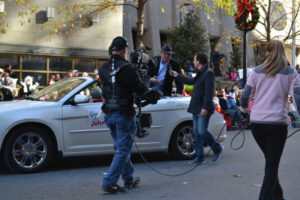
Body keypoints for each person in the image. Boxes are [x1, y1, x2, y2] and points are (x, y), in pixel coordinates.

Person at [240, 40, 300, 200]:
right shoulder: (291, 73)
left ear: (266, 52)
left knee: (270, 162)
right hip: (276, 125)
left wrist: (244, 110)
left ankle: (278, 196)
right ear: (282, 53)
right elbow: (297, 97)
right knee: (272, 164)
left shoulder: (256, 71)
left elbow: (245, 95)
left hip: (257, 124)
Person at [98, 36, 149, 194]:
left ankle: (128, 178)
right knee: (123, 149)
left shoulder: (103, 68)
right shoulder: (127, 68)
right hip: (124, 114)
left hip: (109, 113)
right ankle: (109, 182)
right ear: (124, 50)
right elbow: (140, 89)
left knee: (120, 148)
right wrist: (151, 91)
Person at [170, 52, 223, 164]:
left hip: (203, 108)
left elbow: (209, 92)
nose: (193, 61)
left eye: (194, 60)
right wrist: (177, 75)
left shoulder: (208, 73)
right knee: (197, 132)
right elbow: (191, 81)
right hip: (196, 107)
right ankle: (199, 157)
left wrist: (205, 108)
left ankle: (217, 148)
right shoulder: (200, 72)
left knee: (202, 131)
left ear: (198, 61)